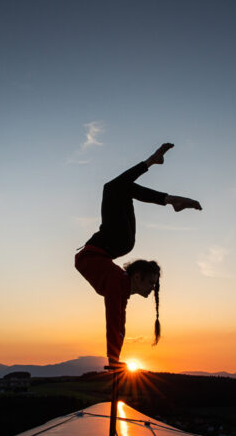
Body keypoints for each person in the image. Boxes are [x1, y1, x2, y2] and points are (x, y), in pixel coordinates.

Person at [75, 143, 202, 364]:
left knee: (118, 188)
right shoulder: (118, 282)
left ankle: (163, 184)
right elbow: (116, 320)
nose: (152, 289)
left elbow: (116, 320)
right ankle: (168, 195)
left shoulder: (119, 286)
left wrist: (114, 358)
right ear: (136, 276)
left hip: (111, 245)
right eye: (151, 283)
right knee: (117, 188)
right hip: (114, 243)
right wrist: (114, 358)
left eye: (153, 285)